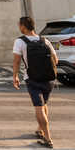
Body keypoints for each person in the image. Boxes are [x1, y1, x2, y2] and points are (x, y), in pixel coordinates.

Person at [12, 16, 58, 148]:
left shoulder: (20, 42)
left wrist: (15, 76)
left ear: (23, 26)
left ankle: (47, 138)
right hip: (49, 79)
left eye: (19, 25)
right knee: (43, 104)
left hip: (33, 79)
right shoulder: (45, 40)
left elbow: (16, 61)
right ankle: (40, 129)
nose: (19, 27)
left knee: (38, 106)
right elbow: (55, 59)